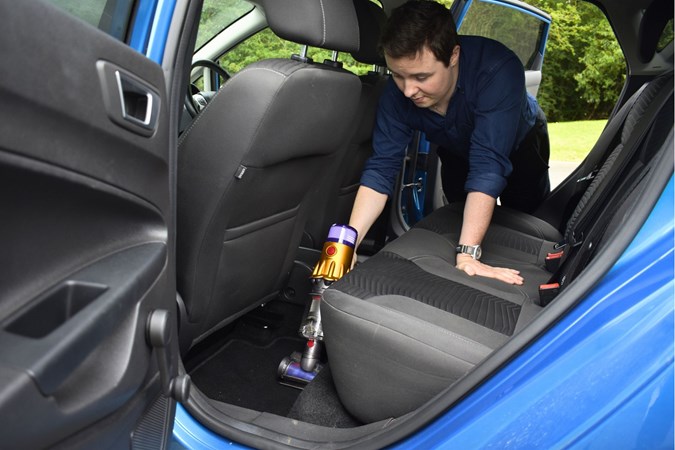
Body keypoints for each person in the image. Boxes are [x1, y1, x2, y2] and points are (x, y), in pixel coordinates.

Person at [349, 0, 550, 285]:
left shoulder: (497, 69)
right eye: (398, 75)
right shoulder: (397, 95)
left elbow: (489, 166)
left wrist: (467, 255)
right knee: (460, 214)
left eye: (421, 77)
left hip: (521, 144)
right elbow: (381, 169)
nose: (407, 91)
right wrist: (348, 244)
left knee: (526, 218)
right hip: (457, 150)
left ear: (453, 56)